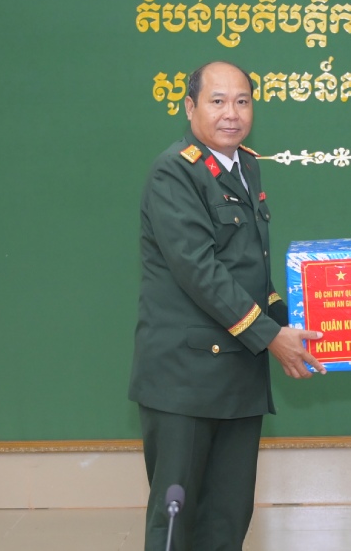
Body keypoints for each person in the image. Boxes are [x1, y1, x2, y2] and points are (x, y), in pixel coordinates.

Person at [129, 60, 326, 551]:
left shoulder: (246, 166)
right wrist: (272, 337)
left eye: (242, 101)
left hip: (238, 376)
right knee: (177, 521)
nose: (231, 113)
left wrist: (304, 323)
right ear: (190, 106)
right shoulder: (174, 172)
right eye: (217, 101)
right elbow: (200, 271)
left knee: (227, 520)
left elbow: (251, 275)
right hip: (185, 382)